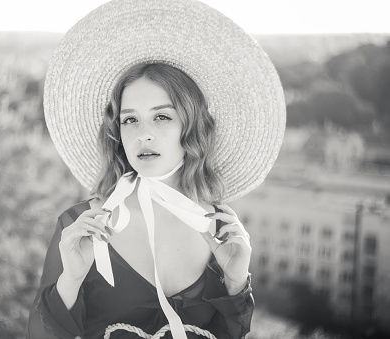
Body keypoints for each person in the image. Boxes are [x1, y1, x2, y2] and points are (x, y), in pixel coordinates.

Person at [28, 0, 286, 338]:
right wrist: (71, 279)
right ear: (117, 132)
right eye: (130, 119)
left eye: (162, 116)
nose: (143, 133)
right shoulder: (81, 229)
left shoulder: (221, 234)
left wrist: (236, 282)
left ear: (191, 127)